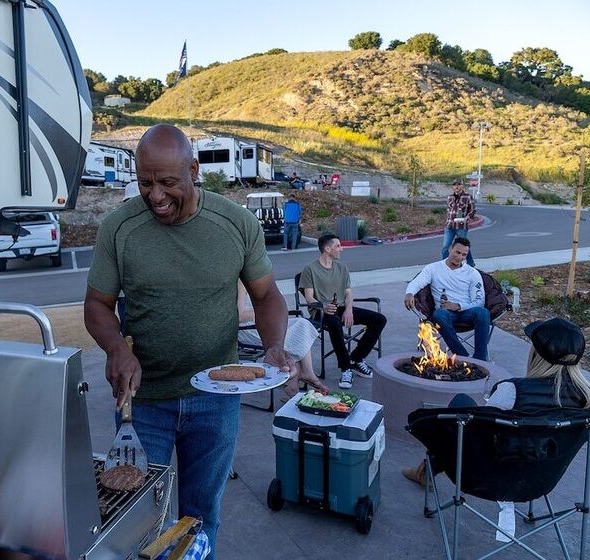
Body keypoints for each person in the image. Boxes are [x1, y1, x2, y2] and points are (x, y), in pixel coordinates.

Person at [84, 124, 290, 558]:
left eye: (167, 182)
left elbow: (267, 295)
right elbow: (97, 306)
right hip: (144, 402)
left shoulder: (236, 223)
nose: (155, 195)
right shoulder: (119, 228)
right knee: (138, 518)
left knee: (200, 517)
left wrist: (274, 345)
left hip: (216, 400)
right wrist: (116, 347)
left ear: (195, 171)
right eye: (145, 182)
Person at [402, 317, 590, 541]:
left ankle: (425, 470)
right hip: (540, 480)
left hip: (485, 477)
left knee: (459, 410)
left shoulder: (512, 390)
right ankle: (423, 471)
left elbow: (481, 434)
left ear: (535, 354)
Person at [299, 233, 387, 389]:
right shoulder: (310, 269)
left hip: (340, 308)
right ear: (327, 249)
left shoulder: (342, 268)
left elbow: (348, 293)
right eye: (338, 246)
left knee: (379, 319)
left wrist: (349, 310)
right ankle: (346, 369)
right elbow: (309, 298)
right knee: (334, 323)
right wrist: (323, 306)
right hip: (321, 312)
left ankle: (356, 358)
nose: (342, 249)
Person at [237, 282, 328, 399]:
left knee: (302, 324)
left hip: (265, 324)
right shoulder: (242, 283)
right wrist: (267, 309)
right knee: (295, 331)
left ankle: (299, 377)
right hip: (251, 330)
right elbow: (240, 316)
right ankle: (301, 376)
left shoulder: (260, 280)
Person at [404, 236, 489, 360]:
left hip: (467, 312)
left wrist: (458, 306)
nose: (460, 257)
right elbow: (417, 282)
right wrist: (409, 293)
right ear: (450, 249)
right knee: (438, 315)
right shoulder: (433, 268)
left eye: (464, 255)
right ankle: (463, 357)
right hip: (445, 314)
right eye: (457, 252)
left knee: (483, 313)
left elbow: (479, 301)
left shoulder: (472, 273)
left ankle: (480, 360)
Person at [441, 179, 476, 266]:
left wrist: (466, 218)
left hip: (461, 226)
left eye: (458, 184)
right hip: (450, 226)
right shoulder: (450, 197)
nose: (456, 186)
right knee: (445, 246)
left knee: (464, 246)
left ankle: (471, 263)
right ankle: (445, 265)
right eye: (454, 185)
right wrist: (447, 221)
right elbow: (449, 210)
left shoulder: (467, 197)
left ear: (462, 186)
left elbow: (472, 210)